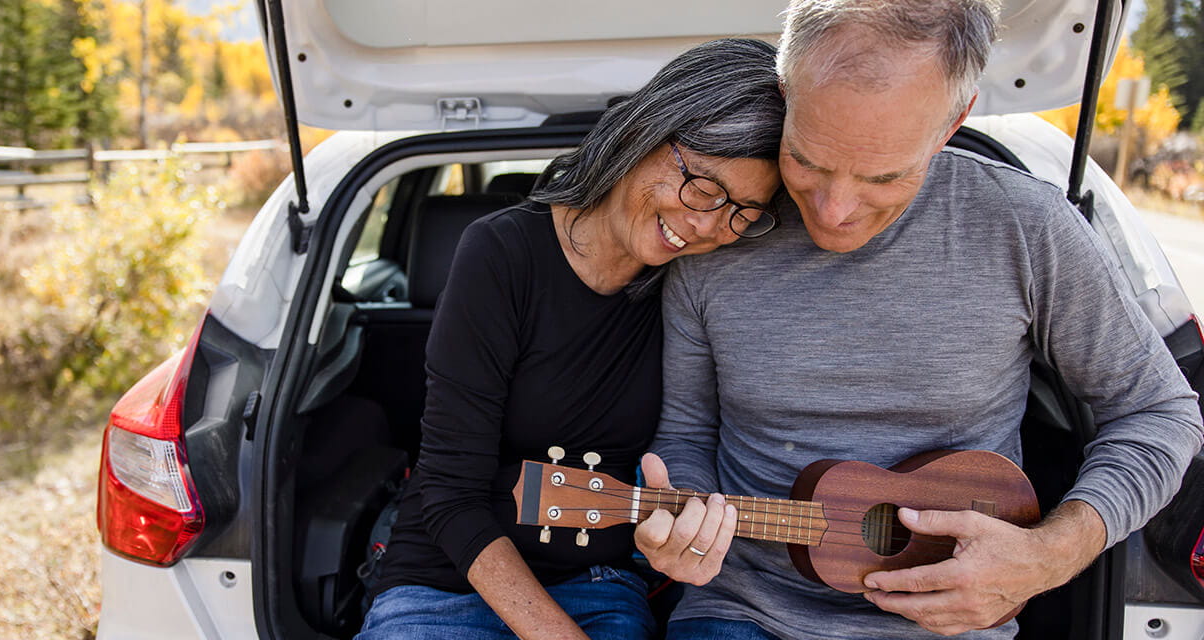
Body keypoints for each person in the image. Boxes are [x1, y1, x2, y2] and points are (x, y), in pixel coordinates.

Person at [635, 2, 1204, 639]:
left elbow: (1161, 413)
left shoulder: (1024, 227)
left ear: (953, 122)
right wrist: (681, 523)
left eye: (883, 176)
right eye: (809, 162)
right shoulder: (717, 231)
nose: (834, 209)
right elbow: (686, 435)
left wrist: (1049, 555)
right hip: (744, 613)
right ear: (784, 90)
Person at [355, 39, 786, 640]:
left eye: (741, 211)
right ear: (646, 133)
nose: (708, 226)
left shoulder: (693, 284)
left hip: (597, 582)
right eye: (704, 189)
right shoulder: (501, 254)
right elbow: (451, 494)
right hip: (443, 580)